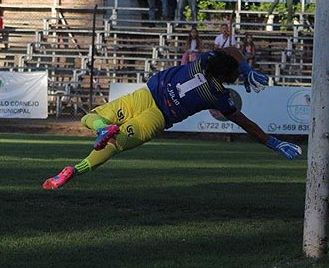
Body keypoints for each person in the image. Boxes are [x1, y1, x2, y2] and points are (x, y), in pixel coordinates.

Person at [42, 47, 302, 190]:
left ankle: (102, 127)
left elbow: (230, 50)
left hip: (145, 96)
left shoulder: (202, 61)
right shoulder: (219, 97)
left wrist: (245, 67)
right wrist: (272, 142)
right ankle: (73, 171)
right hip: (158, 117)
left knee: (90, 117)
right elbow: (245, 123)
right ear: (226, 78)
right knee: (114, 145)